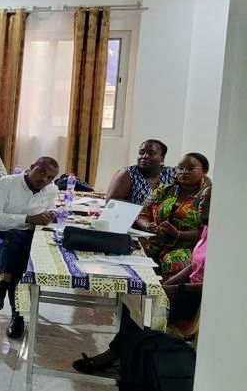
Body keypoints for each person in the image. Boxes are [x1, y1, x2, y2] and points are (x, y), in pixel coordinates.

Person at [73, 225, 207, 374]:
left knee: (147, 305)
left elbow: (214, 285)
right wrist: (165, 284)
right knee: (136, 292)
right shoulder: (208, 232)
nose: (202, 210)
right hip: (186, 288)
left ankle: (120, 357)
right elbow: (193, 267)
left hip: (200, 300)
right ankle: (120, 355)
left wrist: (176, 288)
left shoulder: (223, 242)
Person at [0, 157, 60, 340]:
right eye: (41, 172)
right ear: (31, 167)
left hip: (25, 239)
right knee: (18, 251)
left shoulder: (51, 189)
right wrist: (27, 219)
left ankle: (3, 287)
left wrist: (50, 215)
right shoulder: (6, 183)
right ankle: (17, 315)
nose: (44, 179)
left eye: (50, 177)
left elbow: (50, 209)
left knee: (18, 247)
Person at [135, 152, 211, 276]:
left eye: (190, 169)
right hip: (156, 240)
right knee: (132, 250)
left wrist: (178, 234)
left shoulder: (208, 196)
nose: (184, 172)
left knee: (175, 262)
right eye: (180, 168)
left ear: (204, 171)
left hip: (189, 246)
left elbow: (209, 232)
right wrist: (148, 226)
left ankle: (167, 288)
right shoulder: (163, 190)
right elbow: (142, 214)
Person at [106, 139, 176, 205]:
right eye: (141, 153)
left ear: (162, 158)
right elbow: (111, 202)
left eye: (151, 153)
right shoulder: (128, 173)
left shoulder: (171, 173)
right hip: (132, 214)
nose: (144, 156)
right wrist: (142, 207)